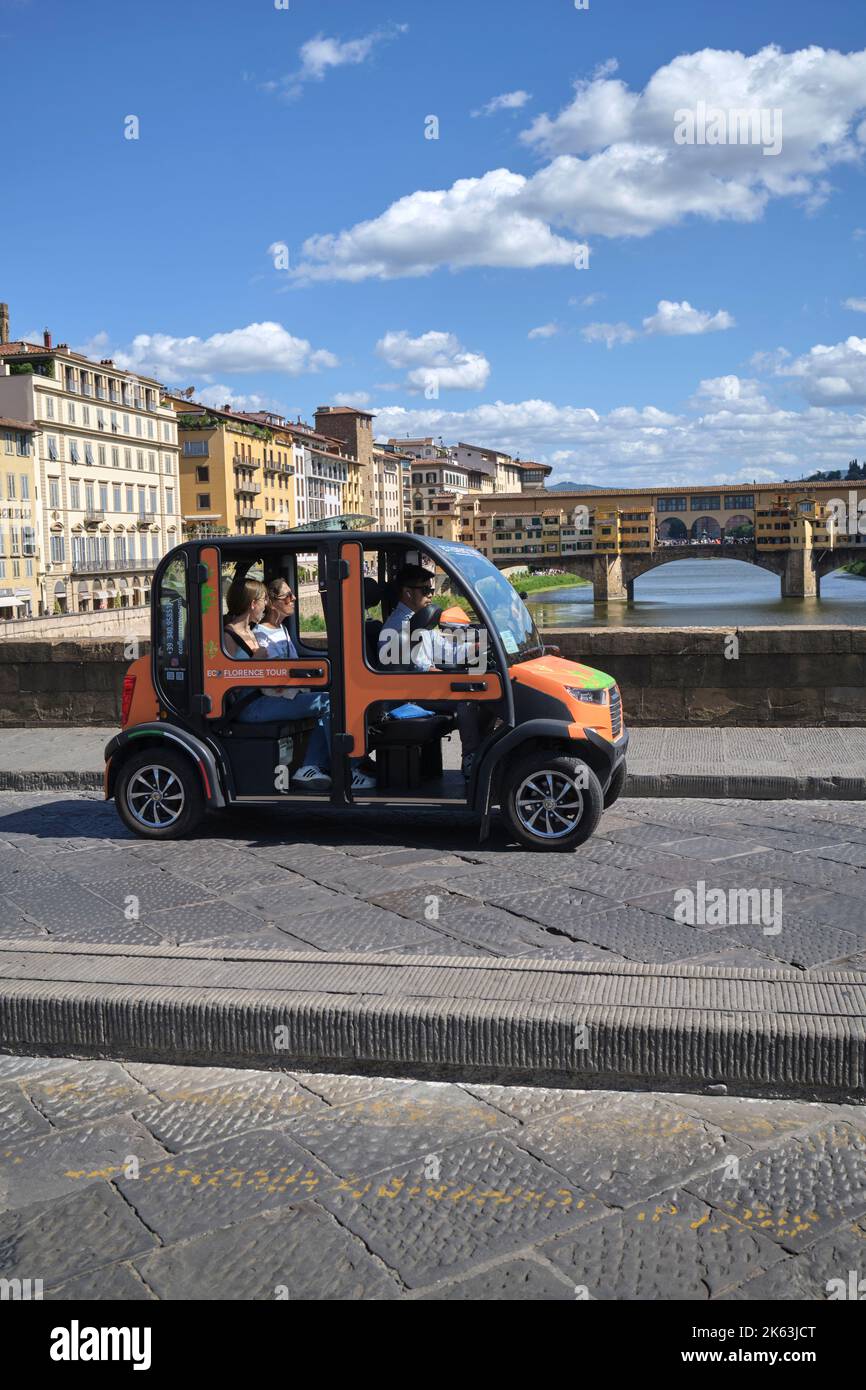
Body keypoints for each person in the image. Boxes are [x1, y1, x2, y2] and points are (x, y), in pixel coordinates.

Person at [223, 578, 374, 791]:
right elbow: (225, 676)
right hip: (250, 705)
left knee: (331, 698)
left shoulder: (250, 631)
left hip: (264, 698)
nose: (266, 605)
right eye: (263, 600)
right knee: (328, 702)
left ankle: (313, 765)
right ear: (252, 604)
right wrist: (256, 661)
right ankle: (347, 770)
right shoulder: (230, 635)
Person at [378, 563, 494, 779]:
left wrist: (482, 645)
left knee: (484, 693)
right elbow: (412, 670)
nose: (431, 595)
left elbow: (449, 651)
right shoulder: (396, 627)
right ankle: (471, 759)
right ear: (408, 592)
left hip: (420, 688)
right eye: (426, 590)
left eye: (431, 590)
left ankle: (483, 753)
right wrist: (444, 676)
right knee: (466, 698)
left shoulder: (420, 621)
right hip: (407, 695)